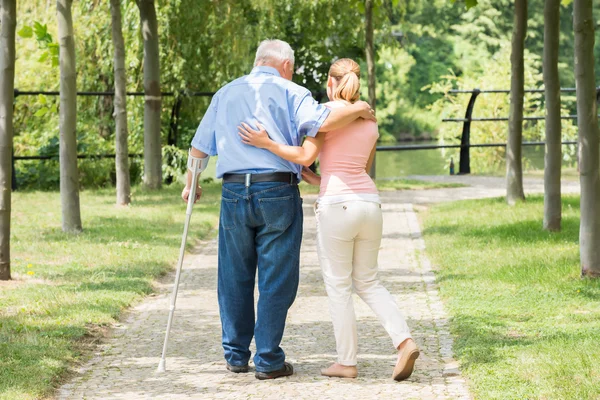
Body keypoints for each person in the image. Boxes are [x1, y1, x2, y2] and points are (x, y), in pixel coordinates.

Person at [183, 41, 376, 380]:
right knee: (277, 277)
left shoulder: (225, 93)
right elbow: (325, 120)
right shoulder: (293, 91)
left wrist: (191, 184)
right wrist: (360, 108)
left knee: (233, 274)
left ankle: (236, 355)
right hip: (276, 190)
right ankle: (269, 360)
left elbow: (199, 147)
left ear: (258, 61)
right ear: (286, 65)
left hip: (233, 191)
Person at [237, 58, 419, 381]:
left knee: (338, 286)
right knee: (368, 281)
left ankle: (346, 362)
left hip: (337, 207)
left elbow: (306, 156)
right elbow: (355, 168)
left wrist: (266, 143)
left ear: (332, 84)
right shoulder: (370, 121)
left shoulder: (324, 116)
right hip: (369, 204)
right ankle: (404, 341)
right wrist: (316, 179)